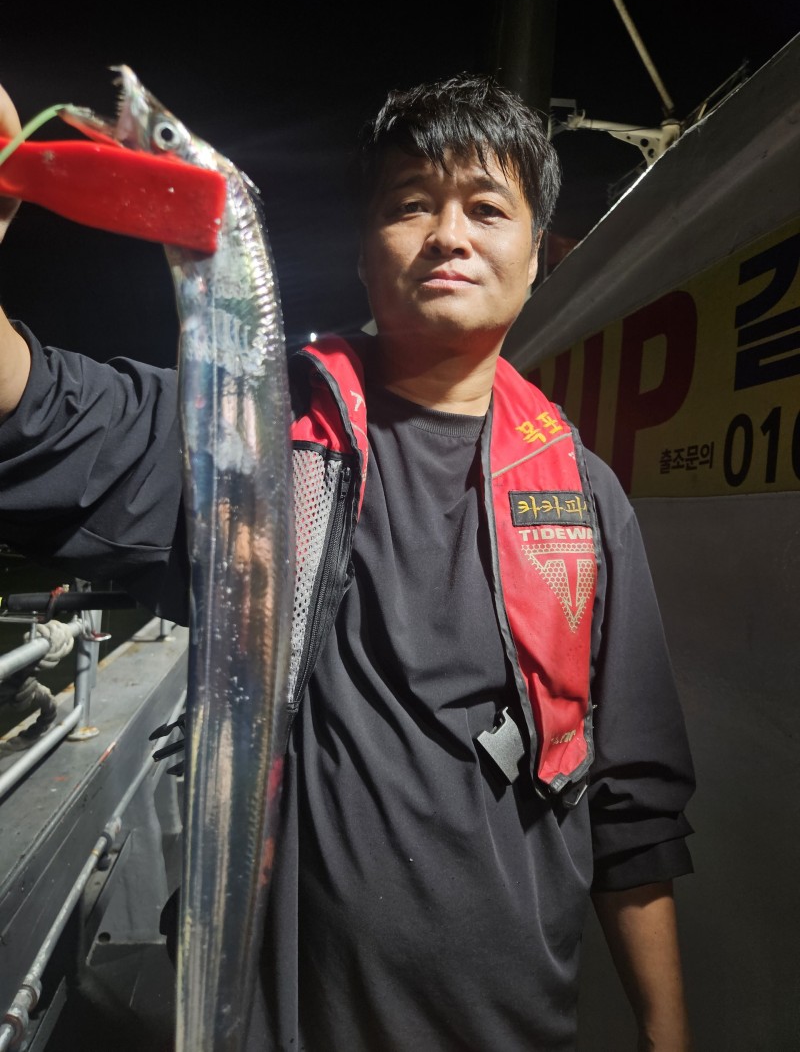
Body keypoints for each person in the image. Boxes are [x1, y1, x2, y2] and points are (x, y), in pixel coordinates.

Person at [0, 72, 695, 1050]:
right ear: (364, 256)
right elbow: (44, 417)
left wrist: (667, 1031)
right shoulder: (256, 436)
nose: (447, 234)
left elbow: (632, 812)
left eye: (486, 207)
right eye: (410, 204)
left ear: (538, 252)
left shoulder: (584, 499)